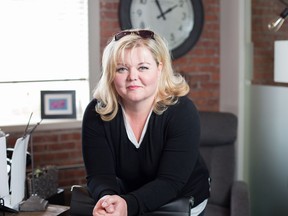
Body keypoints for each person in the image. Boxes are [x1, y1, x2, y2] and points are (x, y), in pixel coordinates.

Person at [82, 28, 210, 216]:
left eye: (143, 67)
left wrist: (128, 205)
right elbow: (100, 175)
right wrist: (108, 201)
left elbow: (170, 182)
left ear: (159, 68)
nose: (132, 76)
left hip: (180, 204)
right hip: (129, 200)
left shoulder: (182, 111)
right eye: (122, 68)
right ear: (111, 73)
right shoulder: (97, 113)